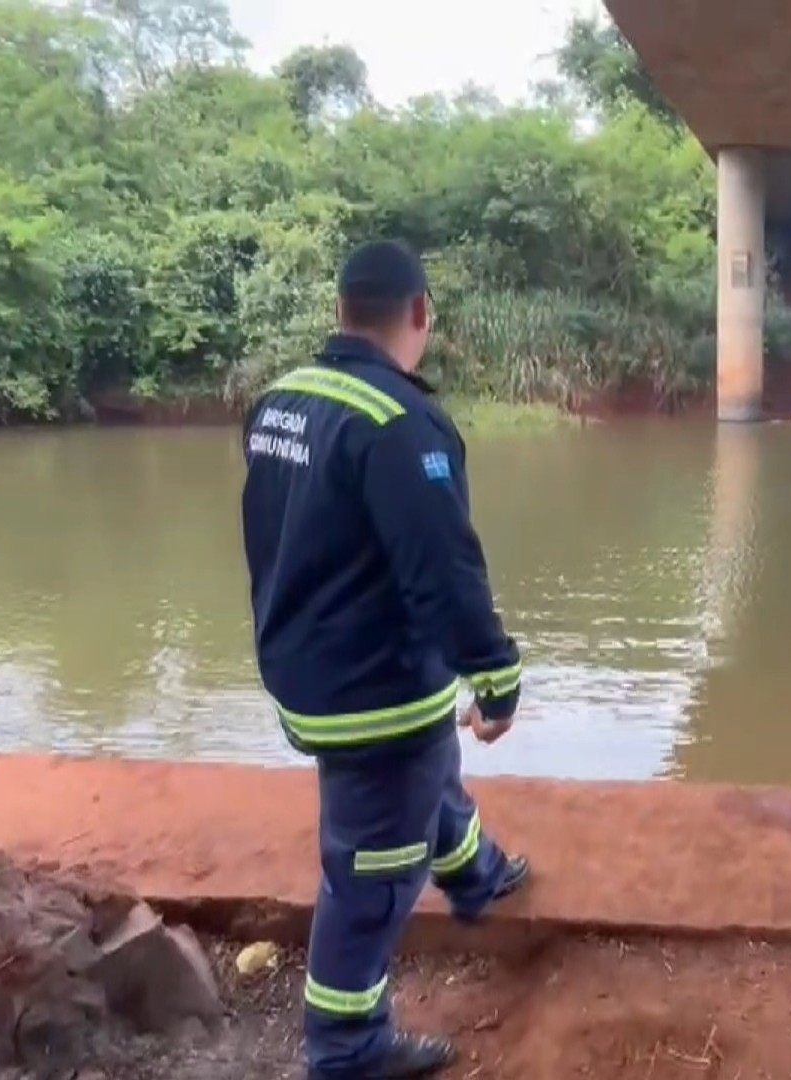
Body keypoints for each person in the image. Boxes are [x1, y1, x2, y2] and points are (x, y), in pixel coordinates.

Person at [239, 240, 531, 1080]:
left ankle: (475, 872)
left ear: (339, 313)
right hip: (371, 690)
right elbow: (444, 572)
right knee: (372, 876)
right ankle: (346, 1048)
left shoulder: (280, 403)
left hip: (306, 666)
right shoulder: (401, 424)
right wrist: (497, 676)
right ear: (420, 315)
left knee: (423, 773)